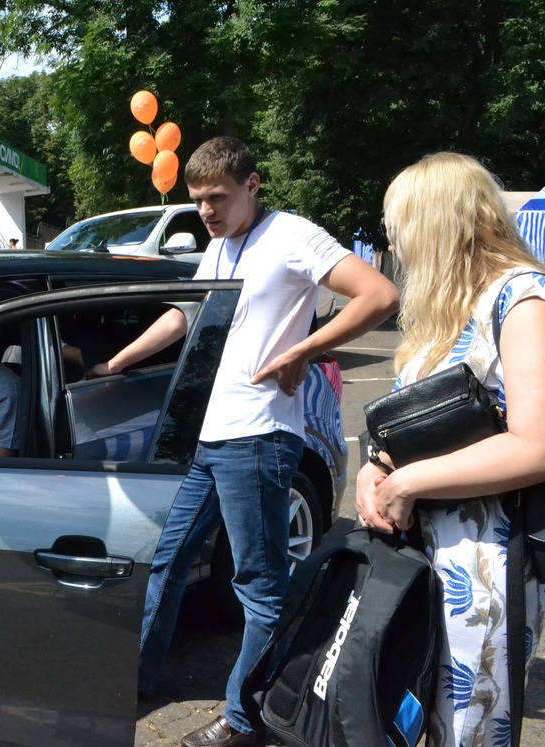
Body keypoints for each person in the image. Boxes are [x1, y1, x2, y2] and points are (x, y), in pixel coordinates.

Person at [90, 136, 399, 747]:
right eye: (197, 200)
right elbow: (185, 316)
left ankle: (245, 717)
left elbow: (380, 295)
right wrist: (116, 363)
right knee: (167, 561)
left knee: (258, 586)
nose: (206, 211)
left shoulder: (292, 235)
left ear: (252, 185)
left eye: (217, 197)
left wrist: (305, 350)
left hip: (259, 437)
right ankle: (136, 681)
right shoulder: (219, 245)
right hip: (210, 437)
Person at [355, 153, 545, 747]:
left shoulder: (521, 298)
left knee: (468, 731)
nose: (392, 243)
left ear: (438, 223)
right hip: (422, 558)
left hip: (486, 563)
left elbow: (536, 444)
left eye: (398, 227)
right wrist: (375, 467)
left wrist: (409, 482)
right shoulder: (446, 309)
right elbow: (420, 424)